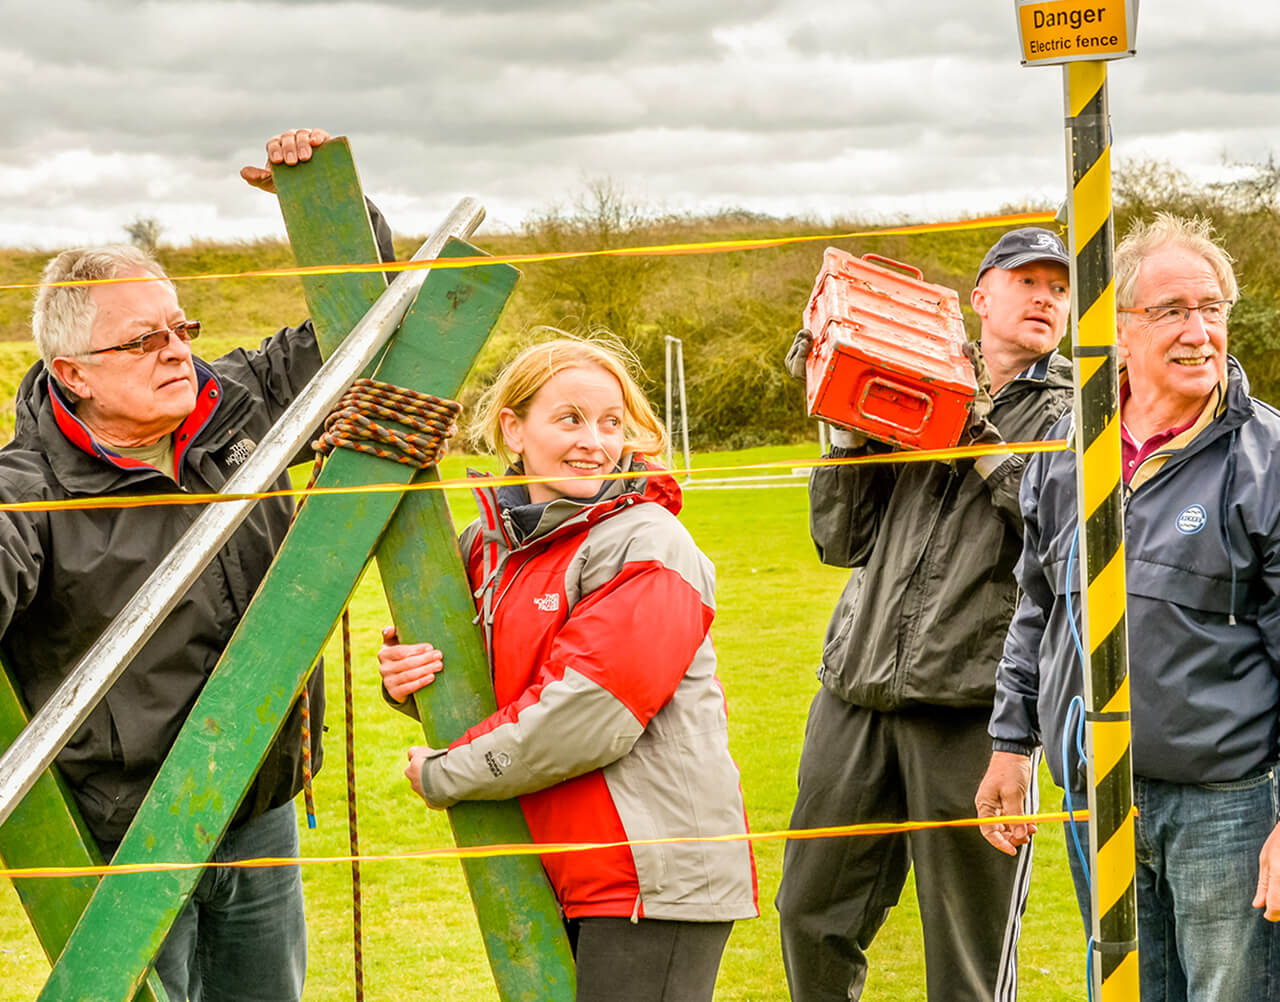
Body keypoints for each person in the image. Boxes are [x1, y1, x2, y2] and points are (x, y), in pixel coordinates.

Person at [0, 128, 392, 1002]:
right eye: (144, 341)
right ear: (73, 373)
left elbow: (363, 325)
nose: (178, 349)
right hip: (124, 829)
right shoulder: (23, 493)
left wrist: (330, 210)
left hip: (258, 808)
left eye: (182, 327)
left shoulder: (234, 408)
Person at [376, 336, 758, 1002]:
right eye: (571, 418)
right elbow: (496, 683)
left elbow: (588, 712)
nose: (595, 441)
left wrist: (447, 772)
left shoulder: (650, 542)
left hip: (652, 876)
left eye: (611, 422)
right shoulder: (485, 545)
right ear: (513, 428)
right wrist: (412, 681)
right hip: (558, 864)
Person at [978, 213, 1280, 1001]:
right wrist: (1013, 743)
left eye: (1212, 308)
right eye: (1173, 310)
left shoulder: (1268, 462)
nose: (1199, 331)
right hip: (1097, 792)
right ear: (1117, 325)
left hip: (1228, 804)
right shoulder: (1068, 451)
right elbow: (1038, 606)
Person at [775, 228, 1074, 1002]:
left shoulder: (1075, 411)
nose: (1045, 297)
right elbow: (841, 540)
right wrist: (845, 426)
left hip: (976, 711)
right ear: (981, 296)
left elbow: (1066, 534)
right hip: (855, 693)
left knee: (966, 951)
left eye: (1060, 287)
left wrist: (977, 438)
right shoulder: (912, 378)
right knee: (810, 914)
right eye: (1026, 280)